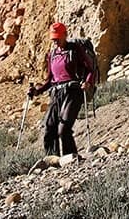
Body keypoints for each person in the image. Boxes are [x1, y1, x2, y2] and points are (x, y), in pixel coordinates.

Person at [28, 22, 95, 158]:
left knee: (63, 129)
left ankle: (70, 159)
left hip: (74, 92)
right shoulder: (52, 54)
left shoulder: (75, 50)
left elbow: (90, 69)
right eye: (53, 38)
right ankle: (53, 160)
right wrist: (37, 91)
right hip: (57, 93)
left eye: (58, 37)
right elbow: (49, 80)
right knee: (49, 127)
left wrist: (87, 82)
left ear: (65, 35)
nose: (55, 41)